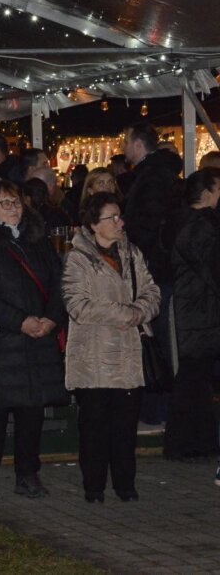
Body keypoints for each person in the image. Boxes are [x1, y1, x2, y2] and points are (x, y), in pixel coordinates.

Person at [0, 178, 66, 501]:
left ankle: (28, 473)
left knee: (32, 412)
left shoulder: (37, 241)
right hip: (0, 343)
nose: (12, 208)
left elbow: (57, 283)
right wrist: (20, 321)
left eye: (16, 202)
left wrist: (51, 318)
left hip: (36, 341)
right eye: (4, 203)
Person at [62, 192, 160, 502]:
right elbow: (77, 305)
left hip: (128, 354)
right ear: (93, 224)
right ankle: (94, 486)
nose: (120, 223)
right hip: (93, 356)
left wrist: (139, 313)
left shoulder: (132, 254)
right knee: (94, 426)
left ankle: (125, 485)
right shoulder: (77, 258)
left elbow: (152, 292)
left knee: (125, 425)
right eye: (111, 218)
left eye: (120, 216)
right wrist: (124, 312)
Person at [122, 122, 182, 433]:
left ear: (136, 142)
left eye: (125, 140)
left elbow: (148, 223)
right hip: (156, 267)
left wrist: (134, 252)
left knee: (153, 339)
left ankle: (156, 412)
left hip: (153, 269)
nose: (122, 147)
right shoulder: (158, 174)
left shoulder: (152, 177)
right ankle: (157, 410)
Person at [165, 169, 220, 461]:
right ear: (208, 193)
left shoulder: (190, 224)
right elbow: (213, 268)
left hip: (197, 311)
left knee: (196, 379)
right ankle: (186, 443)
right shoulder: (199, 228)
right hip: (198, 313)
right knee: (193, 377)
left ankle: (196, 442)